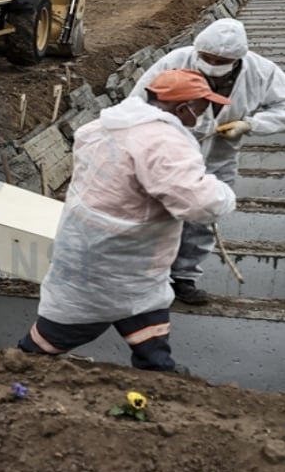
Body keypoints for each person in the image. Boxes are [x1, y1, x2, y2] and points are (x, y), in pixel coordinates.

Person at [18, 69, 237, 372]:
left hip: (99, 251)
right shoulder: (162, 141)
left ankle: (159, 372)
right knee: (60, 333)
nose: (203, 114)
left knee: (145, 312)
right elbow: (198, 203)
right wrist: (223, 193)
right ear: (183, 108)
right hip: (115, 260)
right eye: (201, 107)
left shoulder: (103, 126)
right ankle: (16, 367)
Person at [129, 17, 285, 305]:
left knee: (203, 216)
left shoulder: (261, 71)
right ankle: (150, 276)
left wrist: (252, 124)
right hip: (168, 157)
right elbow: (137, 101)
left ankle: (184, 277)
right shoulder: (176, 60)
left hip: (219, 156)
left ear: (237, 59)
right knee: (158, 213)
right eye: (206, 58)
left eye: (219, 60)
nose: (211, 64)